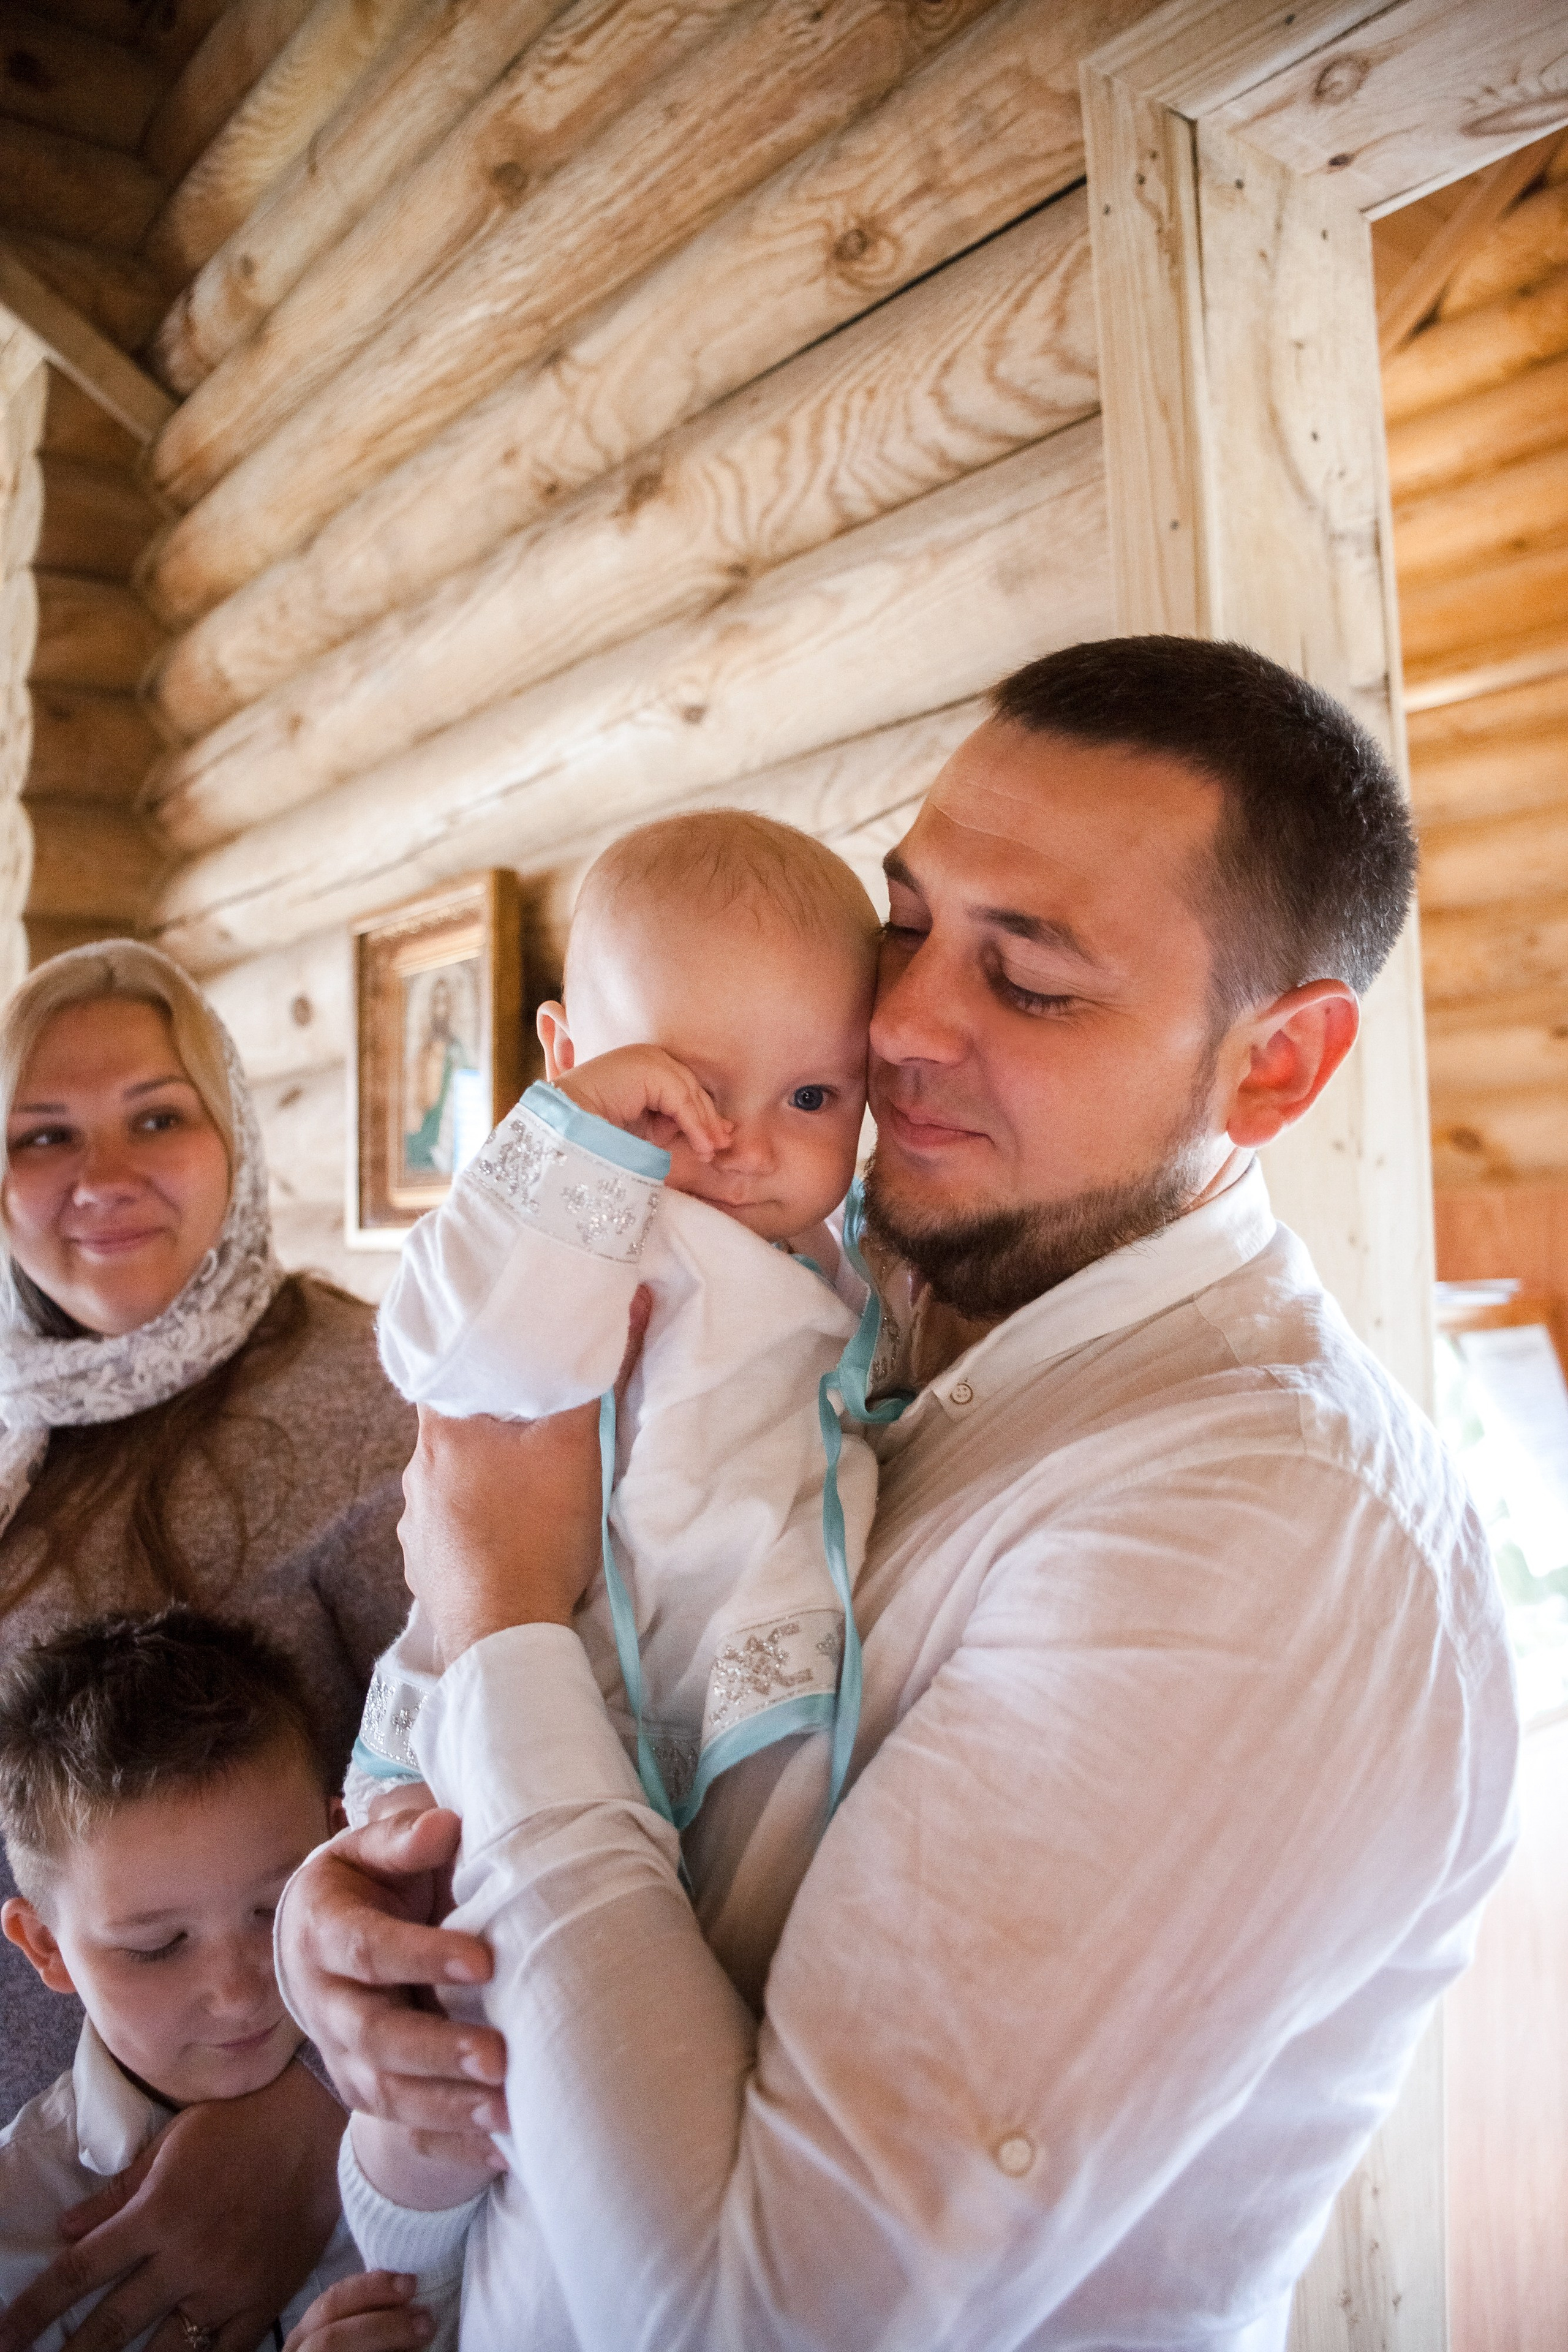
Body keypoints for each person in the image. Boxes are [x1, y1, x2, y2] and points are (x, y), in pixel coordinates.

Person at [149, 641, 1547, 2343]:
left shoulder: (1262, 1540)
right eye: (906, 928)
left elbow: (759, 2317)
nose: (893, 1028)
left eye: (1027, 982)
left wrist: (502, 1619)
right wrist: (369, 1938)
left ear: (1277, 1066)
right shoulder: (862, 1300)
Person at [0, 943, 416, 2352]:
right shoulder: (13, 1419)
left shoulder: (366, 1400)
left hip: (291, 2169)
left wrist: (310, 2119)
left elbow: (481, 1808)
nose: (98, 1171)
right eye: (43, 1133)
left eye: (154, 1115)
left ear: (234, 1133)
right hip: (42, 2150)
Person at [0, 1610, 373, 2352]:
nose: (238, 1993)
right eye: (158, 1946)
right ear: (47, 1949)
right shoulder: (17, 2227)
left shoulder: (465, 2023)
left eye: (273, 1908)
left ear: (340, 1844)